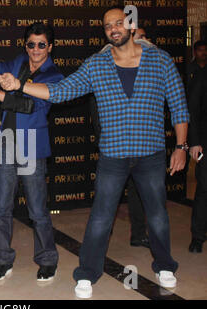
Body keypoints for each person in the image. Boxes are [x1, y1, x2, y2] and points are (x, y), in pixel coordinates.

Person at [0, 7, 189, 298]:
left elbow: (179, 105)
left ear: (130, 25)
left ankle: (164, 265)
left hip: (151, 154)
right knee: (100, 218)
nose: (114, 29)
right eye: (108, 26)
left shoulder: (160, 60)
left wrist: (182, 146)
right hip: (113, 154)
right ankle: (87, 273)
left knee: (157, 214)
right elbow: (62, 91)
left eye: (119, 23)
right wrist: (20, 85)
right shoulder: (97, 64)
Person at [0, 22, 62, 282]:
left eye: (41, 45)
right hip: (7, 144)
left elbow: (31, 106)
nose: (36, 49)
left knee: (37, 210)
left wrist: (0, 91)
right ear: (25, 45)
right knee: (1, 207)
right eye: (31, 44)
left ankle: (47, 259)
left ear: (50, 47)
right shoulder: (17, 62)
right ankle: (2, 259)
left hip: (31, 147)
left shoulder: (54, 76)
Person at [88, 28, 154, 249]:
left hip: (143, 149)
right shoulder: (102, 67)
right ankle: (99, 247)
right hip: (114, 149)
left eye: (143, 37)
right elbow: (97, 111)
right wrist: (106, 140)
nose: (141, 41)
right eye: (138, 37)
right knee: (106, 203)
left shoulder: (151, 67)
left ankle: (138, 234)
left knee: (139, 194)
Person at [187, 69, 207, 253]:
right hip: (205, 143)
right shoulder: (202, 75)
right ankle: (198, 236)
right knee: (204, 189)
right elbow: (192, 109)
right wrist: (194, 142)